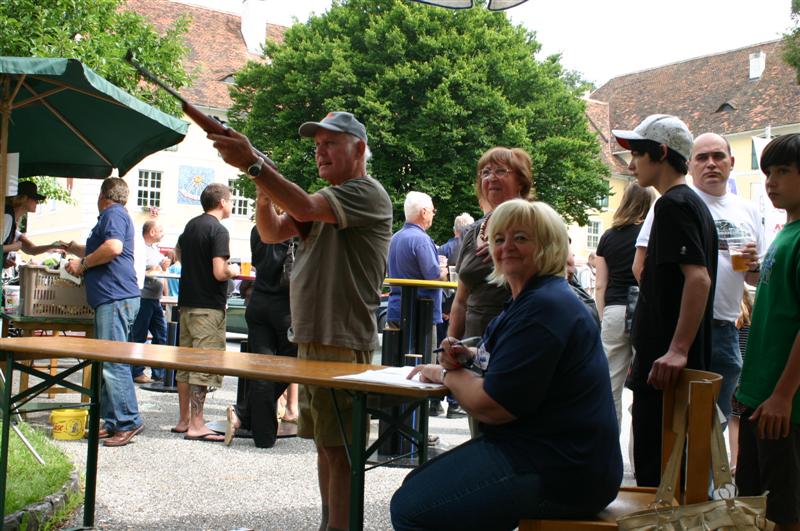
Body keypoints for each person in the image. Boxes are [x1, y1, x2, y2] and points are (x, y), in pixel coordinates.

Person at [390, 199, 622, 530]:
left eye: (521, 238)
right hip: (557, 457)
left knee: (412, 507)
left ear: (548, 247)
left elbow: (492, 406)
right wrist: (468, 356)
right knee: (418, 485)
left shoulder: (543, 308)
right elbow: (501, 362)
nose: (506, 247)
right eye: (499, 239)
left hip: (562, 470)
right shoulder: (532, 300)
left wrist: (446, 373)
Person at [210, 111, 392, 531]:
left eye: (331, 143)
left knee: (340, 448)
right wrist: (260, 186)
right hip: (316, 337)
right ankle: (331, 524)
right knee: (327, 447)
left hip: (341, 339)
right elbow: (273, 231)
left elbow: (303, 206)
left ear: (359, 149)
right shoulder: (330, 199)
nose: (320, 152)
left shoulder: (365, 193)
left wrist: (253, 164)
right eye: (317, 146)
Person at [612, 114, 717, 487]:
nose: (631, 164)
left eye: (637, 153)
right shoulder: (687, 204)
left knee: (658, 481)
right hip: (661, 366)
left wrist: (676, 349)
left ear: (660, 152)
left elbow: (698, 278)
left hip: (666, 373)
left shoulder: (674, 205)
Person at [635, 132, 764, 425]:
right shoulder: (675, 202)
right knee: (671, 428)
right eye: (702, 158)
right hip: (682, 331)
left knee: (709, 430)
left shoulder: (748, 211)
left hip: (726, 329)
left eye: (718, 156)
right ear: (690, 165)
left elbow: (755, 279)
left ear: (731, 162)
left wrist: (754, 265)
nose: (711, 164)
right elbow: (641, 266)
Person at [735, 133, 800, 530]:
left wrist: (783, 394)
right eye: (767, 173)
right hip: (760, 397)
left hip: (784, 407)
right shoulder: (786, 232)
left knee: (783, 515)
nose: (771, 182)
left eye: (783, 172)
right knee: (754, 510)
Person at [448, 146, 533, 436]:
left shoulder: (532, 221)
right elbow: (461, 298)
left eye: (500, 171)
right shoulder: (474, 231)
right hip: (474, 340)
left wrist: (505, 247)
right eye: (485, 172)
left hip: (513, 340)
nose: (491, 178)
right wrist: (449, 342)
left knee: (511, 432)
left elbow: (555, 272)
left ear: (520, 180)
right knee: (480, 431)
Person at [63, 177, 143, 447]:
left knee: (112, 361)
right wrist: (76, 249)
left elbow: (113, 248)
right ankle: (112, 421)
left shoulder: (112, 213)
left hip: (115, 296)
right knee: (107, 361)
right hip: (114, 297)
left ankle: (128, 421)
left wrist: (83, 263)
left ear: (103, 196)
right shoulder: (116, 215)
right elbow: (105, 246)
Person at [172, 183, 240, 442]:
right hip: (208, 308)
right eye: (230, 200)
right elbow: (219, 272)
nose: (231, 204)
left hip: (187, 304)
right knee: (203, 364)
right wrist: (232, 271)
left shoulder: (191, 225)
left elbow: (178, 251)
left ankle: (183, 420)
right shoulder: (219, 230)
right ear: (222, 202)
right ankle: (197, 424)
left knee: (186, 364)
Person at [225, 219, 298, 448]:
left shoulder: (258, 229)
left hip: (257, 303)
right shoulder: (292, 230)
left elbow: (259, 262)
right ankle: (245, 415)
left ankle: (262, 435)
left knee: (262, 370)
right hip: (284, 308)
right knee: (290, 365)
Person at [594, 182, 655, 426]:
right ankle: (639, 456)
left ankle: (608, 449)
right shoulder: (651, 234)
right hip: (647, 310)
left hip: (615, 310)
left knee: (610, 384)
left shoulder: (608, 236)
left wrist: (603, 315)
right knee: (645, 386)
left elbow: (600, 285)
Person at [435, 212, 475, 417]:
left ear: (454, 230)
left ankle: (436, 402)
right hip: (461, 310)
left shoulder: (442, 248)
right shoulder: (473, 246)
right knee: (460, 353)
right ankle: (454, 403)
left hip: (443, 309)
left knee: (443, 353)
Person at [131, 220, 168, 384]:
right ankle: (136, 372)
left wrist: (163, 266)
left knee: (162, 334)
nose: (162, 233)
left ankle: (158, 372)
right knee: (139, 335)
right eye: (160, 229)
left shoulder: (154, 249)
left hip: (154, 298)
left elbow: (160, 270)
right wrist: (155, 269)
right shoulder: (140, 248)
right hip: (144, 297)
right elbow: (139, 271)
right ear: (151, 232)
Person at [3, 181, 60, 266]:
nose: (37, 202)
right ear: (24, 198)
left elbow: (31, 249)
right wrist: (13, 247)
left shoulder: (11, 218)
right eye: (35, 198)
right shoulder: (7, 217)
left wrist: (52, 246)